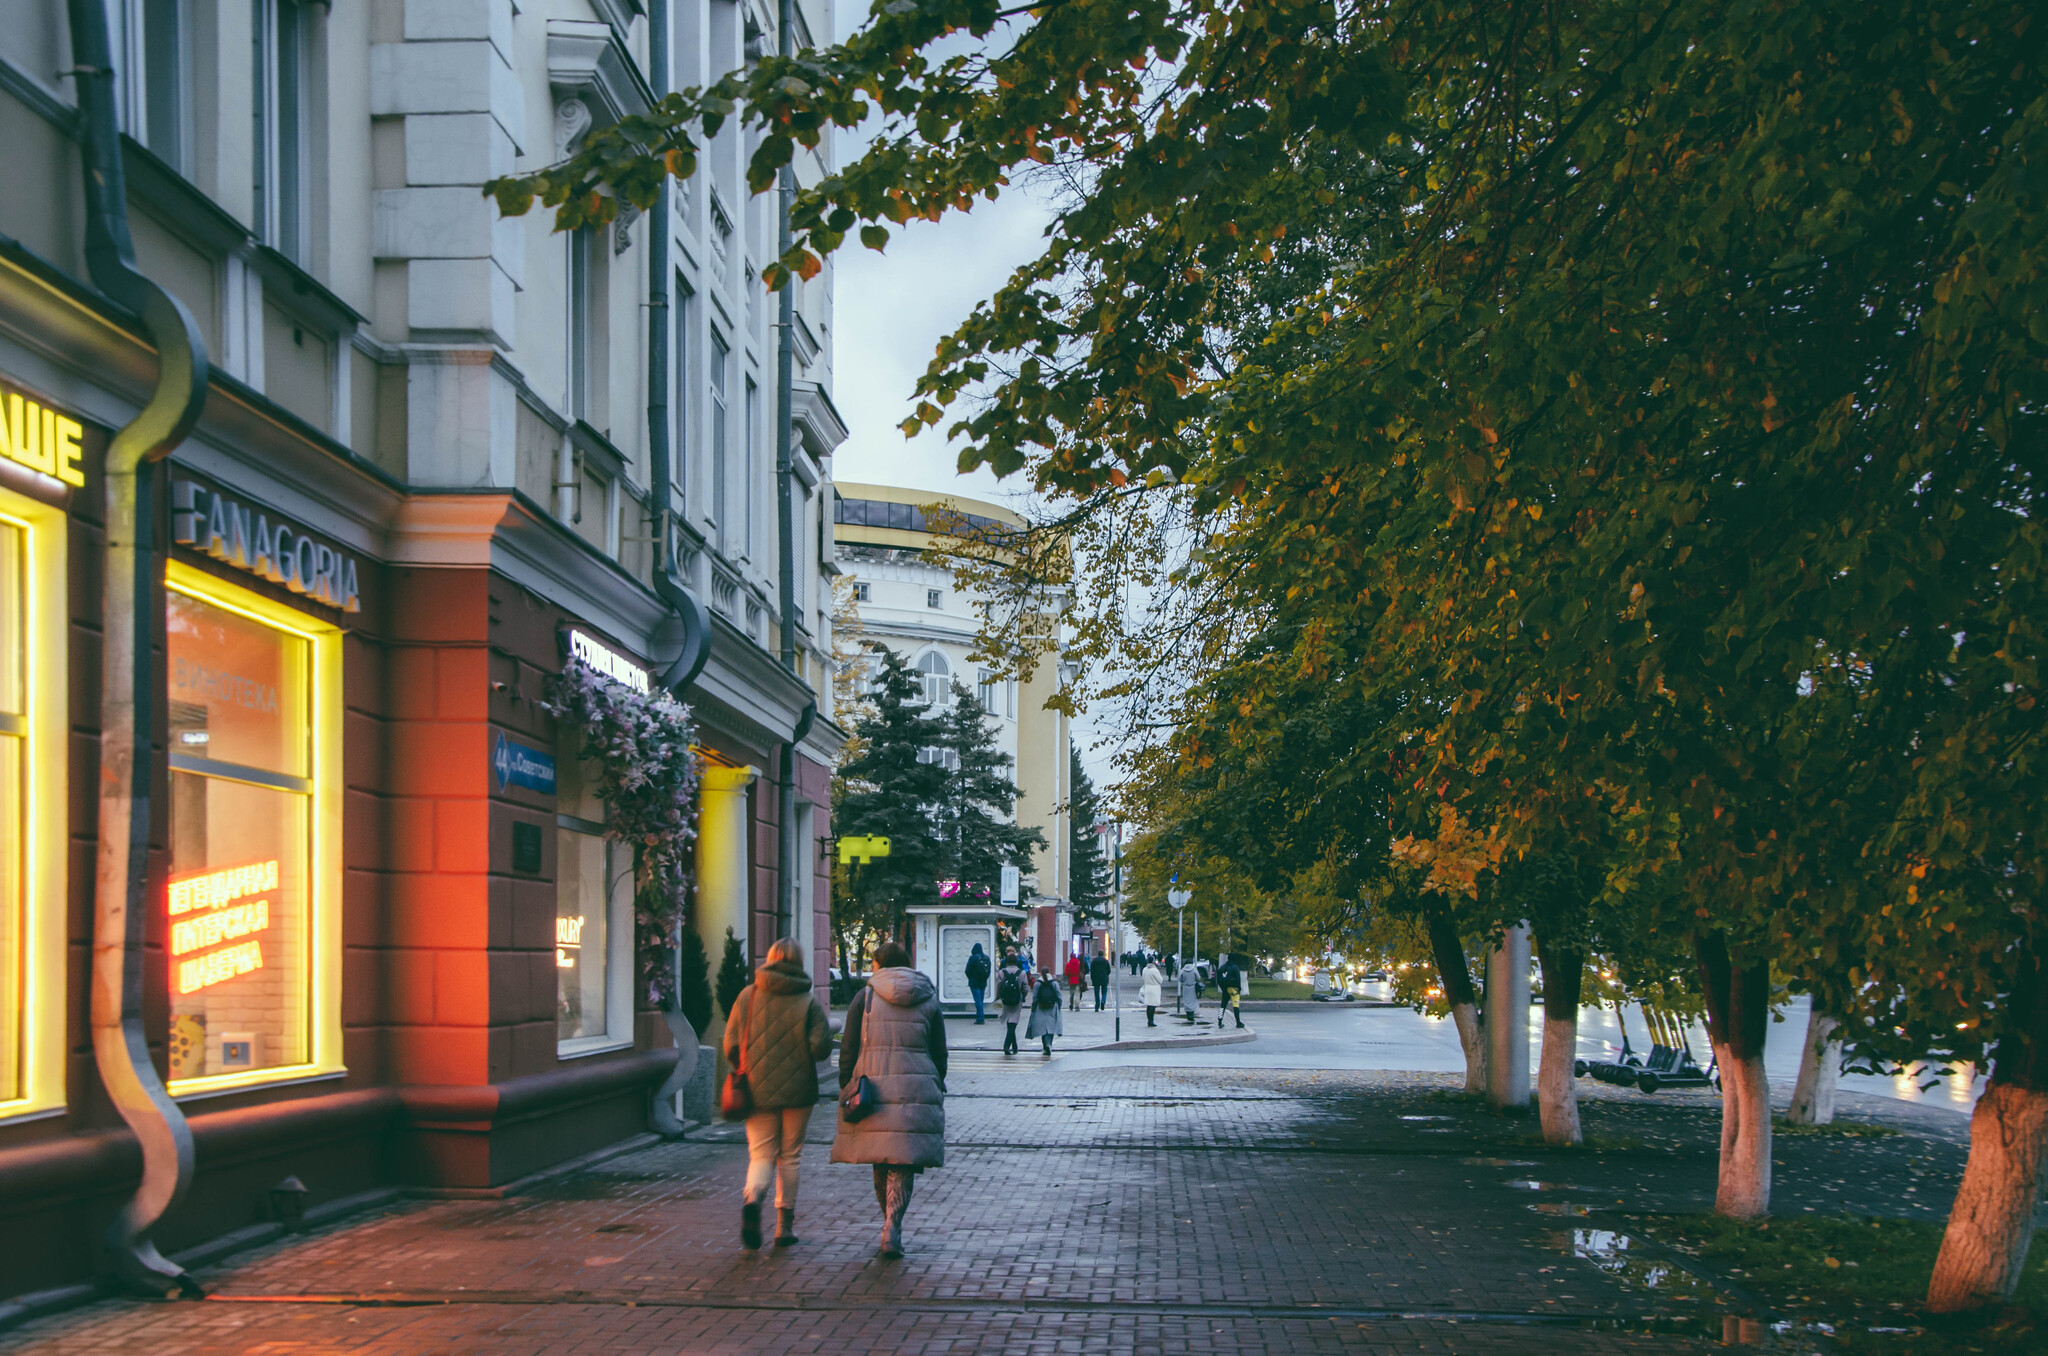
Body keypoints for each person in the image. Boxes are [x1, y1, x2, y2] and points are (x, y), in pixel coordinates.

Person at [832, 939, 947, 1258]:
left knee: (881, 1156)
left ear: (879, 965)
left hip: (873, 1085)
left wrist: (846, 1084)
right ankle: (892, 1226)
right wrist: (938, 1081)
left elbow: (848, 1047)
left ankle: (887, 1223)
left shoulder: (865, 995)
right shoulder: (928, 996)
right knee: (903, 1161)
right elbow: (939, 1049)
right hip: (917, 1086)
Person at [721, 937, 834, 1250]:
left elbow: (730, 1044)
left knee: (761, 1154)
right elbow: (821, 1047)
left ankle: (753, 1200)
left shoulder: (748, 996)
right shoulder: (807, 1002)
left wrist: (745, 1066)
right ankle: (784, 1227)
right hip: (799, 1092)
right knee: (790, 1156)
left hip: (755, 1090)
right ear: (799, 962)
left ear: (769, 959)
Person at [1025, 968, 1064, 1055]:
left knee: (1043, 1028)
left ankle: (1045, 1045)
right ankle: (1049, 1044)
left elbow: (1035, 997)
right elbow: (1059, 995)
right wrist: (1059, 1005)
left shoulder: (1037, 983)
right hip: (1052, 1006)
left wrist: (1034, 1007)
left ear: (1040, 973)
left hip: (1040, 1006)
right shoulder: (1054, 983)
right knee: (1050, 1028)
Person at [995, 949, 1027, 1055]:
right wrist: (1022, 996)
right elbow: (1025, 988)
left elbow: (998, 986)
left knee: (1010, 1022)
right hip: (1017, 1001)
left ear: (1007, 962)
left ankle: (1014, 1046)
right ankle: (1006, 1045)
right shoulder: (1021, 973)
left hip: (1006, 1001)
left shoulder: (1001, 972)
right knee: (1013, 1023)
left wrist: (1001, 996)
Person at [965, 942, 992, 1024]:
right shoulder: (986, 958)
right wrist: (984, 978)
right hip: (983, 982)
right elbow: (988, 971)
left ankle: (980, 1018)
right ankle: (980, 1015)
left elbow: (967, 970)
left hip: (974, 982)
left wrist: (971, 977)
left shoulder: (973, 958)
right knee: (981, 1000)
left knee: (977, 1001)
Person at [1217, 953, 1246, 1029]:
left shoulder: (1223, 967)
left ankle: (1220, 1021)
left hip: (1225, 989)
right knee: (1236, 1006)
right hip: (1234, 989)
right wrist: (1239, 989)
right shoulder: (1235, 967)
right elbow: (1238, 979)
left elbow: (1219, 979)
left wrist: (1223, 988)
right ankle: (1238, 1022)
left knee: (1223, 1005)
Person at [1140, 957, 1164, 1026]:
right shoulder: (1154, 970)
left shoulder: (1145, 969)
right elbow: (1160, 980)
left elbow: (1143, 978)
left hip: (1147, 988)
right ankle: (1151, 1020)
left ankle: (1149, 1020)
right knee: (1153, 1006)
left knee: (1148, 1005)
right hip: (1154, 989)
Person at [1177, 959, 1203, 1023]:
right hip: (1192, 987)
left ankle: (1188, 1014)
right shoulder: (1194, 969)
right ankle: (1192, 1014)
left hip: (1185, 987)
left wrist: (1183, 981)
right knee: (1192, 1000)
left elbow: (1179, 978)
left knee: (1186, 1000)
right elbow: (1198, 977)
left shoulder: (1183, 970)